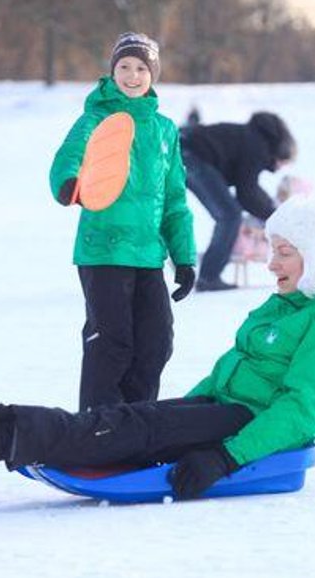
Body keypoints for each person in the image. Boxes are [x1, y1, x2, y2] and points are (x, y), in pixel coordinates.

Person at [0, 197, 315, 500]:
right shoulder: (290, 305)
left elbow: (303, 409)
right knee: (139, 422)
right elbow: (233, 370)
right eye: (271, 250)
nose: (270, 264)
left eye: (283, 252)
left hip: (250, 426)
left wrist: (225, 457)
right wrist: (184, 412)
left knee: (133, 423)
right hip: (225, 409)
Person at [48, 32, 197, 412]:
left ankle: (134, 423)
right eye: (124, 67)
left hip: (148, 255)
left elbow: (175, 199)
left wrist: (184, 257)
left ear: (153, 75)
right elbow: (68, 157)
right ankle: (97, 425)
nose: (132, 75)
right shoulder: (97, 117)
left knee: (156, 343)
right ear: (113, 72)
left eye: (141, 68)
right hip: (103, 250)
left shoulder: (165, 130)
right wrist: (69, 184)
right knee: (112, 342)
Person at [180, 111, 297, 292]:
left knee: (228, 213)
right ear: (280, 150)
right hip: (190, 156)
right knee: (230, 216)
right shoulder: (257, 146)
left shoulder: (249, 138)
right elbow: (247, 193)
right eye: (285, 161)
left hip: (180, 152)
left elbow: (247, 188)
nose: (281, 167)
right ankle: (208, 277)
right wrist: (275, 215)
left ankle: (194, 266)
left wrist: (269, 209)